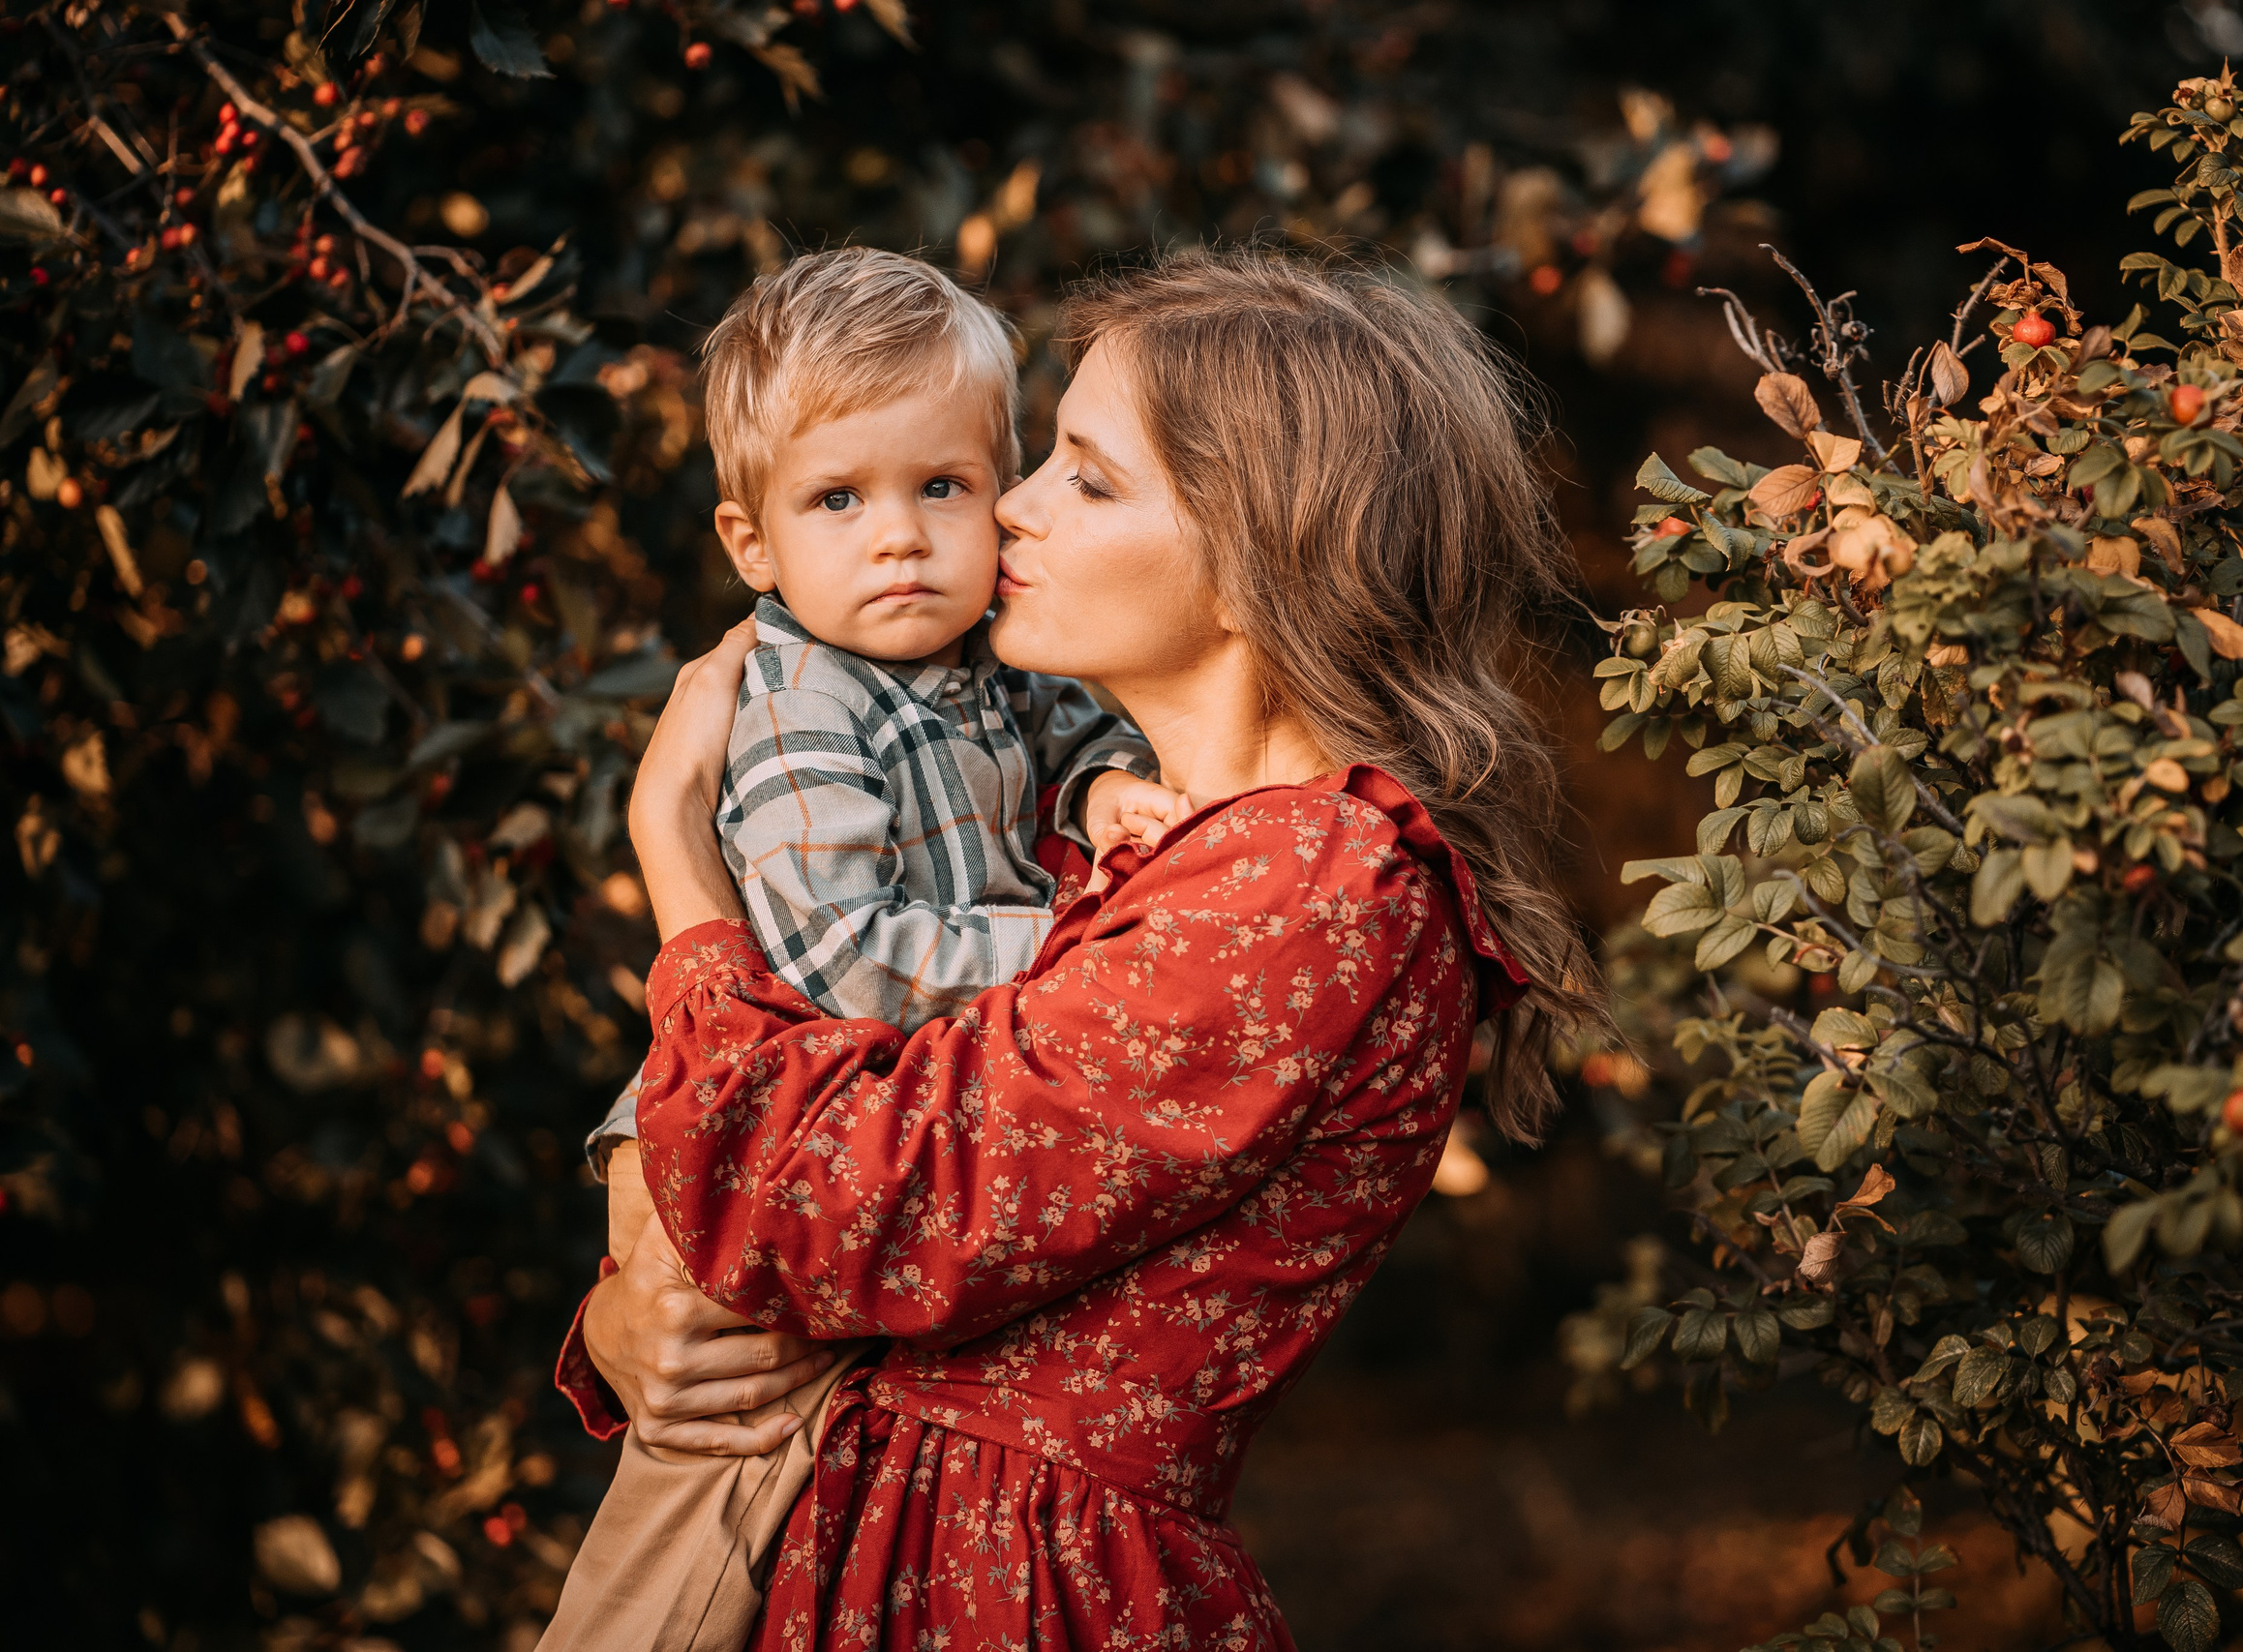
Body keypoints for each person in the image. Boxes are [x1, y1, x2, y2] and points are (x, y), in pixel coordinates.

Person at [561, 247, 1606, 1650]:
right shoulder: (1121, 841)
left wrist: (676, 858)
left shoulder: (1307, 888)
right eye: (1039, 456)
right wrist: (639, 1321)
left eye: (1086, 479)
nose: (1011, 509)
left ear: (1260, 562)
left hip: (1022, 1595)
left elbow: (841, 1211)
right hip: (871, 1540)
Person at [544, 246, 1181, 1651]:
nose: (899, 537)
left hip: (833, 1112)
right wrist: (1068, 940)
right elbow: (842, 952)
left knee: (789, 1476)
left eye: (939, 488)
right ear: (752, 545)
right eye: (840, 499)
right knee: (709, 1461)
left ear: (997, 490)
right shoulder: (801, 698)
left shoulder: (990, 653)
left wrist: (1104, 791)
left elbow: (1070, 736)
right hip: (735, 1108)